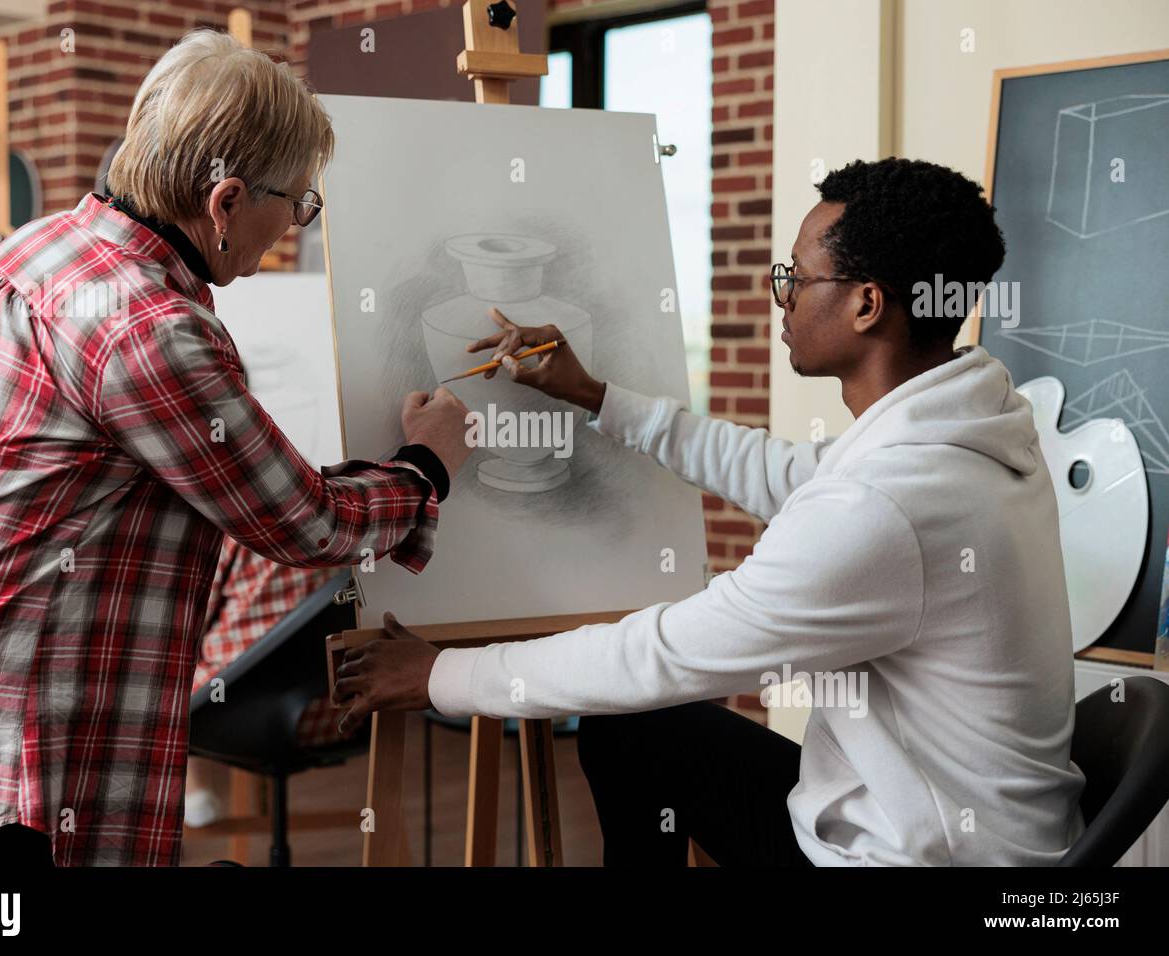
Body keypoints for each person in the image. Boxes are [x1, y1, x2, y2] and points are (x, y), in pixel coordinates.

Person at [334, 157, 1087, 867]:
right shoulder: (963, 437)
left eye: (797, 276)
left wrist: (439, 675)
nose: (783, 294)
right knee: (639, 736)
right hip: (970, 827)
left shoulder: (886, 506)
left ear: (866, 304)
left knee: (635, 712)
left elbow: (655, 660)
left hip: (923, 859)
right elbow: (783, 470)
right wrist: (593, 395)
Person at [0, 30, 469, 867]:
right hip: (10, 725)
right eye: (297, 202)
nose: (298, 223)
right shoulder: (146, 327)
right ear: (224, 204)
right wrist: (427, 464)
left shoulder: (34, 250)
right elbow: (306, 524)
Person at [184, 538, 352, 828]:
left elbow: (186, 624)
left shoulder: (229, 521)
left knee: (155, 671)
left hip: (234, 714)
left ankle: (189, 790)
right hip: (345, 713)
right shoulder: (357, 511)